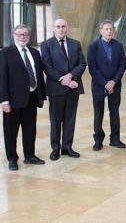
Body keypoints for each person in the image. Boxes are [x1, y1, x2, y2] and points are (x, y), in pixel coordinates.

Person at [0, 24, 47, 171]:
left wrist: (42, 96)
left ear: (29, 36)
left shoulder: (34, 52)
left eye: (25, 34)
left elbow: (38, 75)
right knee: (11, 131)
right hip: (13, 100)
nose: (22, 37)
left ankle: (30, 155)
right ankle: (12, 158)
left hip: (31, 98)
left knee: (30, 129)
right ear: (14, 35)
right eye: (19, 34)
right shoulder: (5, 53)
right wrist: (4, 100)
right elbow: (2, 79)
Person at [40, 18, 86, 160]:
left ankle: (67, 147)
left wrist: (71, 76)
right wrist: (66, 81)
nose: (61, 29)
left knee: (70, 119)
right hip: (56, 89)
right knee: (55, 120)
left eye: (63, 26)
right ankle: (55, 149)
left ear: (67, 28)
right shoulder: (46, 44)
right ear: (53, 28)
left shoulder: (75, 44)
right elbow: (47, 67)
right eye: (58, 26)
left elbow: (82, 63)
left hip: (73, 88)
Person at [87, 20, 126, 150]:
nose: (109, 31)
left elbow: (122, 66)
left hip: (115, 85)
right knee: (98, 114)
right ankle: (98, 140)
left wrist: (113, 82)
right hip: (99, 86)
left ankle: (115, 139)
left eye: (111, 29)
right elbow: (92, 68)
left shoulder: (119, 46)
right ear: (101, 31)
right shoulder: (93, 46)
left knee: (114, 112)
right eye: (106, 29)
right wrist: (105, 84)